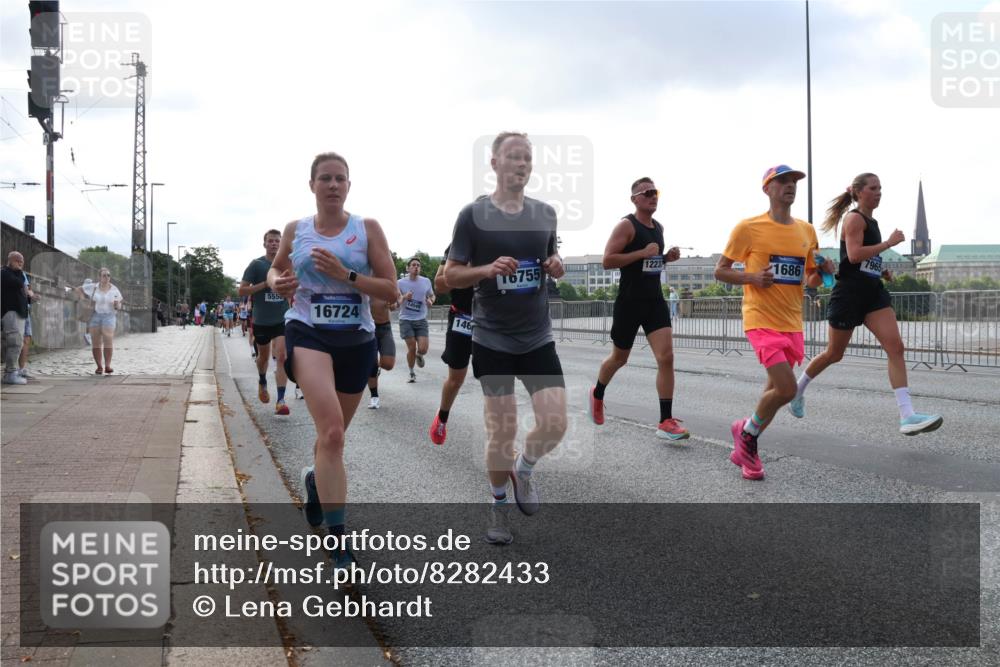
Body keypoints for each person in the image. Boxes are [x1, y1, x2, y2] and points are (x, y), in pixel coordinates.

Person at [268, 151, 397, 569]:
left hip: (356, 338)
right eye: (325, 178)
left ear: (349, 186)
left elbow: (391, 290)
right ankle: (339, 543)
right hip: (307, 331)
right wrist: (278, 281)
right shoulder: (297, 230)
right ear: (312, 185)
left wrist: (347, 275)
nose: (333, 185)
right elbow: (275, 270)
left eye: (340, 178)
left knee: (330, 440)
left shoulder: (367, 229)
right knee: (334, 434)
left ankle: (314, 479)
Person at [444, 131, 567, 545]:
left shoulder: (545, 214)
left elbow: (550, 256)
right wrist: (487, 270)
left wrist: (556, 263)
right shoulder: (472, 216)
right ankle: (498, 505)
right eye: (513, 156)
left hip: (537, 336)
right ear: (494, 163)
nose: (522, 163)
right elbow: (450, 275)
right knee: (502, 430)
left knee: (555, 423)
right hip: (492, 338)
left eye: (527, 157)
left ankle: (524, 469)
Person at [789, 173, 942, 435]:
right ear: (859, 192)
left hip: (872, 294)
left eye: (880, 188)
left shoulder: (872, 222)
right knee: (833, 354)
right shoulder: (854, 219)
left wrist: (880, 271)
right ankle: (797, 390)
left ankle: (907, 415)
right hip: (849, 294)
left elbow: (864, 260)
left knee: (895, 347)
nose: (879, 192)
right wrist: (888, 243)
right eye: (873, 188)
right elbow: (854, 255)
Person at [714, 165, 836, 480]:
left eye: (794, 181)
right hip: (760, 319)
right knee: (786, 388)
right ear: (767, 189)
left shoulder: (806, 231)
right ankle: (747, 435)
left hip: (792, 322)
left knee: (773, 393)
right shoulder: (748, 228)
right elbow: (720, 271)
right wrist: (752, 277)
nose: (790, 185)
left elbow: (811, 280)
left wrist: (825, 272)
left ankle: (746, 445)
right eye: (782, 181)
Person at [588, 178, 688, 440]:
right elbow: (608, 260)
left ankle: (665, 421)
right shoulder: (626, 225)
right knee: (619, 358)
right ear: (634, 199)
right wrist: (641, 253)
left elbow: (650, 264)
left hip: (654, 301)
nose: (653, 196)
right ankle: (597, 393)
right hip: (630, 303)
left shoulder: (659, 227)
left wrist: (665, 258)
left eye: (656, 192)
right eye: (647, 193)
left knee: (666, 357)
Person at [240, 230, 292, 415]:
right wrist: (265, 284)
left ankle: (281, 400)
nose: (274, 244)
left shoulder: (287, 264)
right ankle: (262, 381)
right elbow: (242, 291)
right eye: (270, 241)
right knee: (263, 357)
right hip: (262, 320)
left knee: (282, 356)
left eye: (277, 241)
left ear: (281, 244)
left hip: (282, 319)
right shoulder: (257, 265)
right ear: (264, 244)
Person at [429, 243, 475, 444]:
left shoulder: (503, 243)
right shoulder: (459, 245)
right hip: (462, 317)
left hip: (491, 320)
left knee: (494, 378)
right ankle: (442, 417)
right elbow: (439, 285)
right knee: (456, 379)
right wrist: (471, 271)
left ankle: (502, 440)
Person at [75, 267, 124, 375]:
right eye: (104, 275)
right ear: (99, 277)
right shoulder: (93, 287)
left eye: (108, 275)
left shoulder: (114, 289)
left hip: (109, 316)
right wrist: (83, 299)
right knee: (96, 343)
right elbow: (78, 289)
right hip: (95, 316)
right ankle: (99, 366)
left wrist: (117, 305)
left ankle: (107, 365)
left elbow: (119, 303)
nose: (107, 277)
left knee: (108, 339)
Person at [397, 257, 435, 382]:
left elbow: (432, 295)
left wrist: (431, 301)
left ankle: (419, 355)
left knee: (423, 349)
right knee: (412, 347)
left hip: (421, 319)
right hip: (406, 319)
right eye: (413, 265)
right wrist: (404, 297)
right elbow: (397, 301)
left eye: (418, 265)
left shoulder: (426, 281)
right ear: (408, 268)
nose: (416, 267)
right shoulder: (400, 283)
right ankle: (411, 372)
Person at [1, 251, 29, 385]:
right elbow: (18, 283)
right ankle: (10, 373)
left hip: (18, 313)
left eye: (22, 261)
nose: (20, 264)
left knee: (16, 342)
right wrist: (19, 272)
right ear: (10, 260)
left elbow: (23, 290)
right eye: (18, 261)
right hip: (11, 312)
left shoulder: (15, 274)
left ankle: (11, 371)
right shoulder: (5, 273)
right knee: (14, 342)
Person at [366, 297, 397, 409]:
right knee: (371, 366)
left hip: (385, 328)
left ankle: (376, 367)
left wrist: (393, 304)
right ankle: (374, 397)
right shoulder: (365, 287)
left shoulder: (385, 288)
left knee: (388, 364)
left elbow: (395, 303)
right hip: (368, 328)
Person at [18, 267, 37, 379]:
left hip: (24, 309)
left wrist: (32, 296)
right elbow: (27, 290)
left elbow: (28, 290)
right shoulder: (17, 273)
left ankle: (20, 369)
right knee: (21, 339)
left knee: (26, 338)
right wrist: (31, 295)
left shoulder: (20, 273)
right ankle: (15, 369)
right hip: (18, 310)